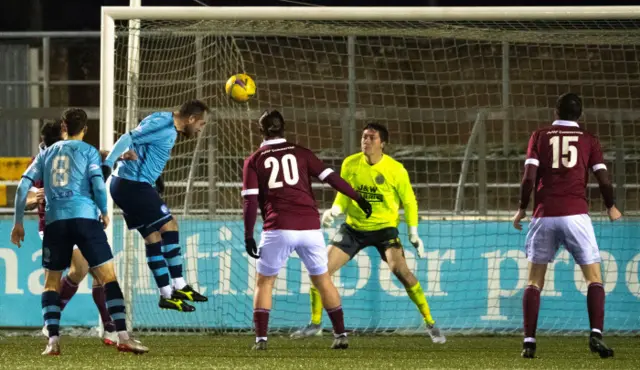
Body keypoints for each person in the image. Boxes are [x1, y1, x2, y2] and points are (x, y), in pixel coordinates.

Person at [291, 123, 446, 344]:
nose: (366, 141)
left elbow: (409, 201)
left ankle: (430, 323)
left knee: (402, 272)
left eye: (372, 138)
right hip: (354, 228)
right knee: (319, 270)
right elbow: (344, 194)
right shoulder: (350, 164)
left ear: (382, 144)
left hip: (384, 229)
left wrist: (413, 233)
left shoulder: (395, 170)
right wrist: (335, 210)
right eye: (364, 137)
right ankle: (315, 324)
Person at [11, 108, 148, 355]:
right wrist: (104, 210)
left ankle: (52, 340)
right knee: (107, 276)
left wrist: (18, 222)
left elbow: (22, 188)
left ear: (63, 127)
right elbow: (97, 182)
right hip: (85, 219)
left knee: (51, 282)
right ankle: (122, 336)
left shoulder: (45, 154)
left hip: (55, 223)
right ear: (85, 129)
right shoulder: (88, 151)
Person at [243, 110, 372, 350]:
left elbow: (250, 201)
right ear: (284, 128)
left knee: (265, 282)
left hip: (278, 228)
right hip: (310, 228)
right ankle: (341, 334)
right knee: (323, 280)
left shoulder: (254, 160)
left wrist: (248, 234)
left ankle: (261, 340)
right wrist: (357, 198)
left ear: (260, 131)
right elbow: (332, 178)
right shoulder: (301, 153)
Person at [513, 93, 622, 359]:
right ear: (580, 114)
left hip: (545, 213)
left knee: (534, 281)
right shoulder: (589, 139)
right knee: (594, 279)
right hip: (576, 215)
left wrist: (522, 208)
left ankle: (529, 342)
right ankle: (596, 334)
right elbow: (603, 179)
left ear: (555, 112)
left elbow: (529, 178)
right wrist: (611, 206)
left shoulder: (539, 135)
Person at [103, 100, 210, 312]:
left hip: (129, 184)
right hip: (132, 184)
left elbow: (141, 144)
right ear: (191, 119)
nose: (200, 129)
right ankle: (179, 285)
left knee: (153, 238)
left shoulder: (162, 120)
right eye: (201, 123)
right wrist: (109, 162)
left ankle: (166, 294)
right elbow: (127, 137)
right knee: (170, 226)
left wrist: (156, 176)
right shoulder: (164, 124)